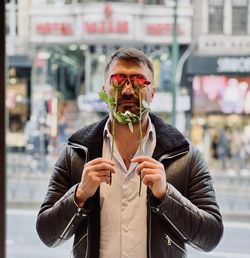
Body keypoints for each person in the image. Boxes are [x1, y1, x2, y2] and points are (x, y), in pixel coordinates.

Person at [36, 48, 223, 258]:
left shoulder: (185, 156)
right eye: (118, 79)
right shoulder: (76, 153)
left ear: (152, 92)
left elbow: (211, 237)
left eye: (138, 81)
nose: (127, 90)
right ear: (105, 89)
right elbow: (47, 234)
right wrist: (80, 194)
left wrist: (166, 194)